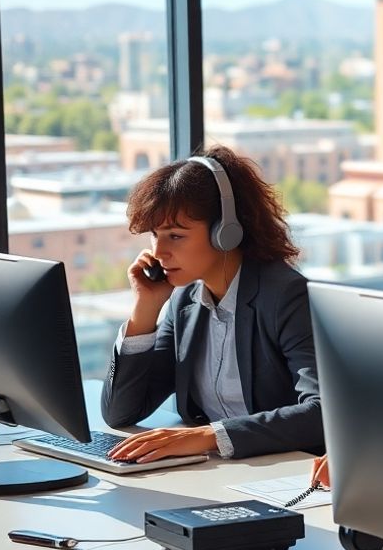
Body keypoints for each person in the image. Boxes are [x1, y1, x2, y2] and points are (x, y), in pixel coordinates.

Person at [102, 146, 322, 463]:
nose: (159, 252)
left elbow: (320, 413)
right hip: (220, 473)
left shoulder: (287, 297)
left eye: (175, 236)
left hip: (283, 472)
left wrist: (209, 436)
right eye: (155, 235)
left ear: (225, 232)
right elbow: (120, 412)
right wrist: (145, 311)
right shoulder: (185, 302)